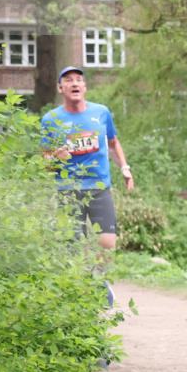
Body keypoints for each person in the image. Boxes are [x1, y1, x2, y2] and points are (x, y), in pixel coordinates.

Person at [41, 66, 134, 305]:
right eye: (68, 80)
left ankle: (98, 281)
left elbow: (112, 143)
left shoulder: (101, 112)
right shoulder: (51, 120)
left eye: (79, 80)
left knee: (107, 241)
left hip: (98, 185)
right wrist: (56, 157)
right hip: (67, 189)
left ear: (84, 87)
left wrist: (124, 168)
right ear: (60, 88)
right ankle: (78, 293)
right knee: (72, 245)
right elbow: (45, 162)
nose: (74, 84)